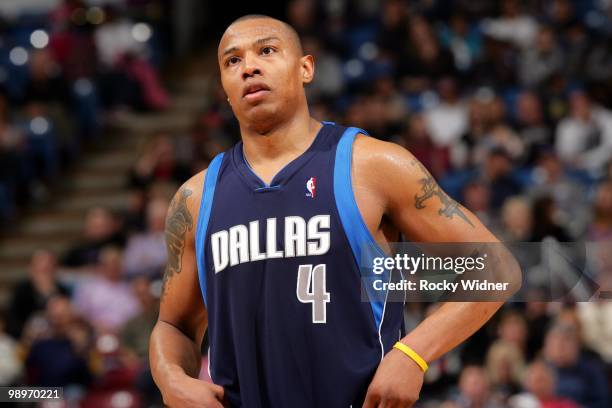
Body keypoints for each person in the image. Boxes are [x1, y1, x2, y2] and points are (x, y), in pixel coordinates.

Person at [149, 15, 521, 408]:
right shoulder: (194, 198)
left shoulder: (374, 166)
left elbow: (496, 269)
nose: (250, 67)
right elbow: (174, 325)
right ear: (224, 90)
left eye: (267, 51)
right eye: (232, 61)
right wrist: (170, 377)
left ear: (306, 68)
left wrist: (412, 355)